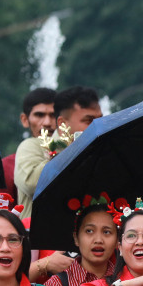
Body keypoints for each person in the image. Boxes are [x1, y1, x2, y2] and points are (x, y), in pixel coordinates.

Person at [16, 86, 102, 217]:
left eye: (100, 119)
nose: (97, 125)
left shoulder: (100, 151)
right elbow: (32, 184)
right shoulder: (32, 146)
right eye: (88, 120)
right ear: (63, 123)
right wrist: (73, 151)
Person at [1, 88, 58, 201]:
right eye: (39, 115)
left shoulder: (74, 148)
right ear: (25, 120)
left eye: (53, 115)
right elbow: (3, 211)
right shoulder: (7, 165)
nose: (47, 122)